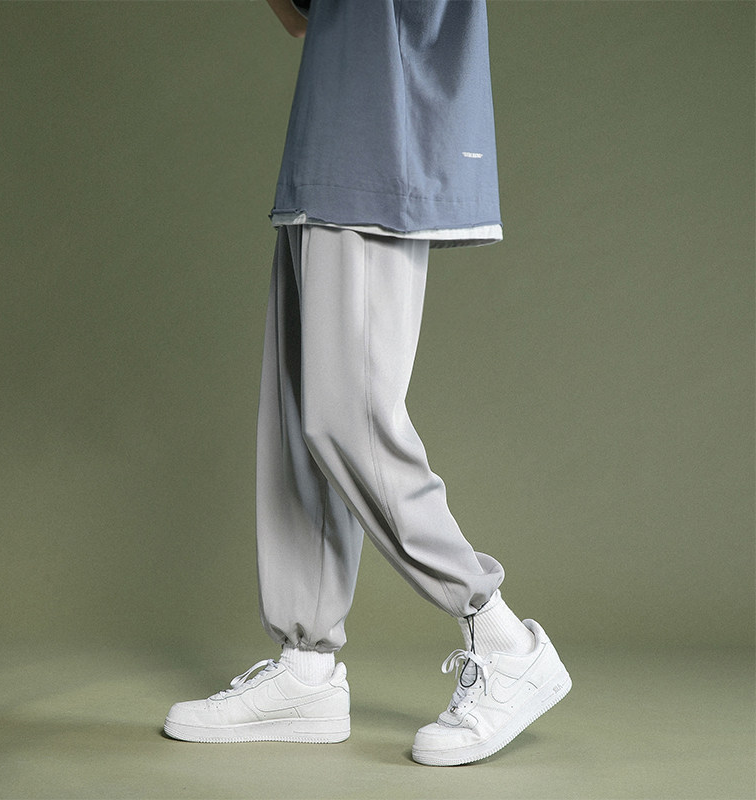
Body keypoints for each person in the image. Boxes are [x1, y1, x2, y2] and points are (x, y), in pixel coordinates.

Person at [164, 0, 571, 766]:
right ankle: (306, 669)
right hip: (327, 136)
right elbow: (300, 18)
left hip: (382, 142)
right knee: (299, 421)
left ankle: (503, 639)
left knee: (347, 417)